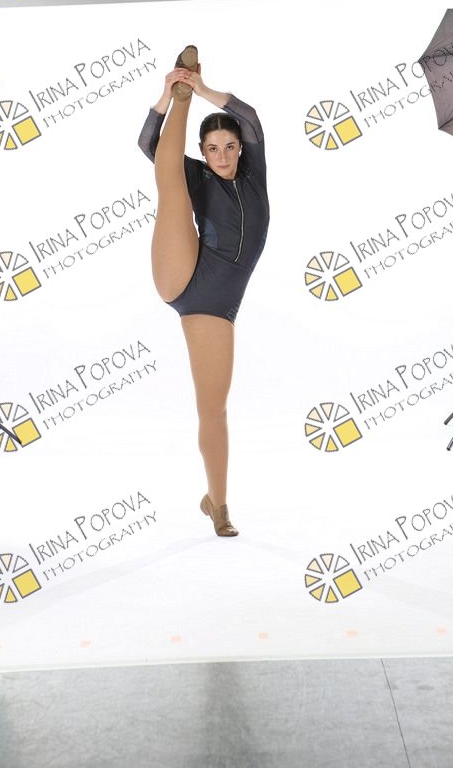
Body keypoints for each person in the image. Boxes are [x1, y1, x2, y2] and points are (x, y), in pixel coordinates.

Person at [138, 45, 270, 537]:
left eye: (229, 147)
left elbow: (250, 117)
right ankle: (182, 102)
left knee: (213, 409)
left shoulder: (255, 175)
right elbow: (149, 145)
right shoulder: (197, 174)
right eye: (212, 149)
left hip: (212, 303)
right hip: (181, 266)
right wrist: (170, 96)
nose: (222, 156)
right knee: (171, 179)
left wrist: (203, 86)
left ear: (241, 149)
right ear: (204, 150)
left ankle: (218, 504)